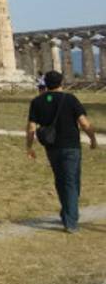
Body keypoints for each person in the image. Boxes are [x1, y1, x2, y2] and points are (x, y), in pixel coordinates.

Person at [26, 70, 98, 233]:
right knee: (72, 182)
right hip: (71, 146)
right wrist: (92, 139)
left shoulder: (37, 102)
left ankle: (66, 211)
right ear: (61, 83)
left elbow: (31, 128)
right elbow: (84, 123)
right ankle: (71, 222)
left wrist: (29, 147)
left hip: (51, 148)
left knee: (61, 180)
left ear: (45, 84)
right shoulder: (70, 99)